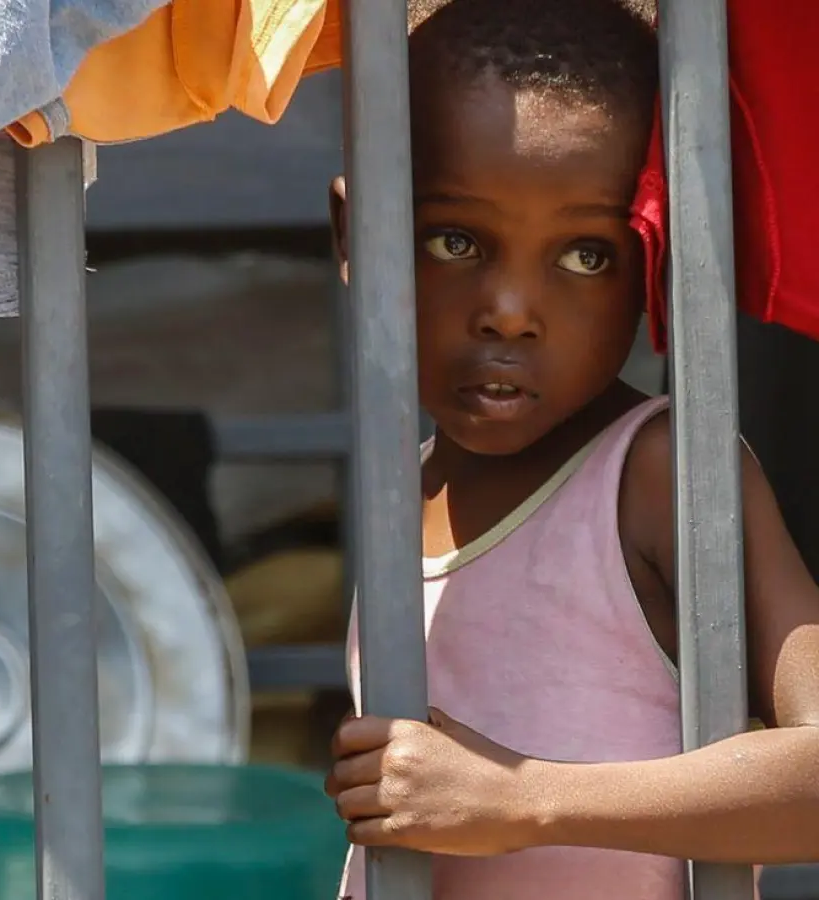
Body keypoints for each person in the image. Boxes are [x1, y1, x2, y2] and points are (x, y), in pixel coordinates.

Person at [323, 0, 819, 897]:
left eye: (585, 255)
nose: (510, 309)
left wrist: (527, 800)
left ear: (659, 262)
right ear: (356, 233)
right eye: (455, 240)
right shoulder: (403, 490)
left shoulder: (660, 471)